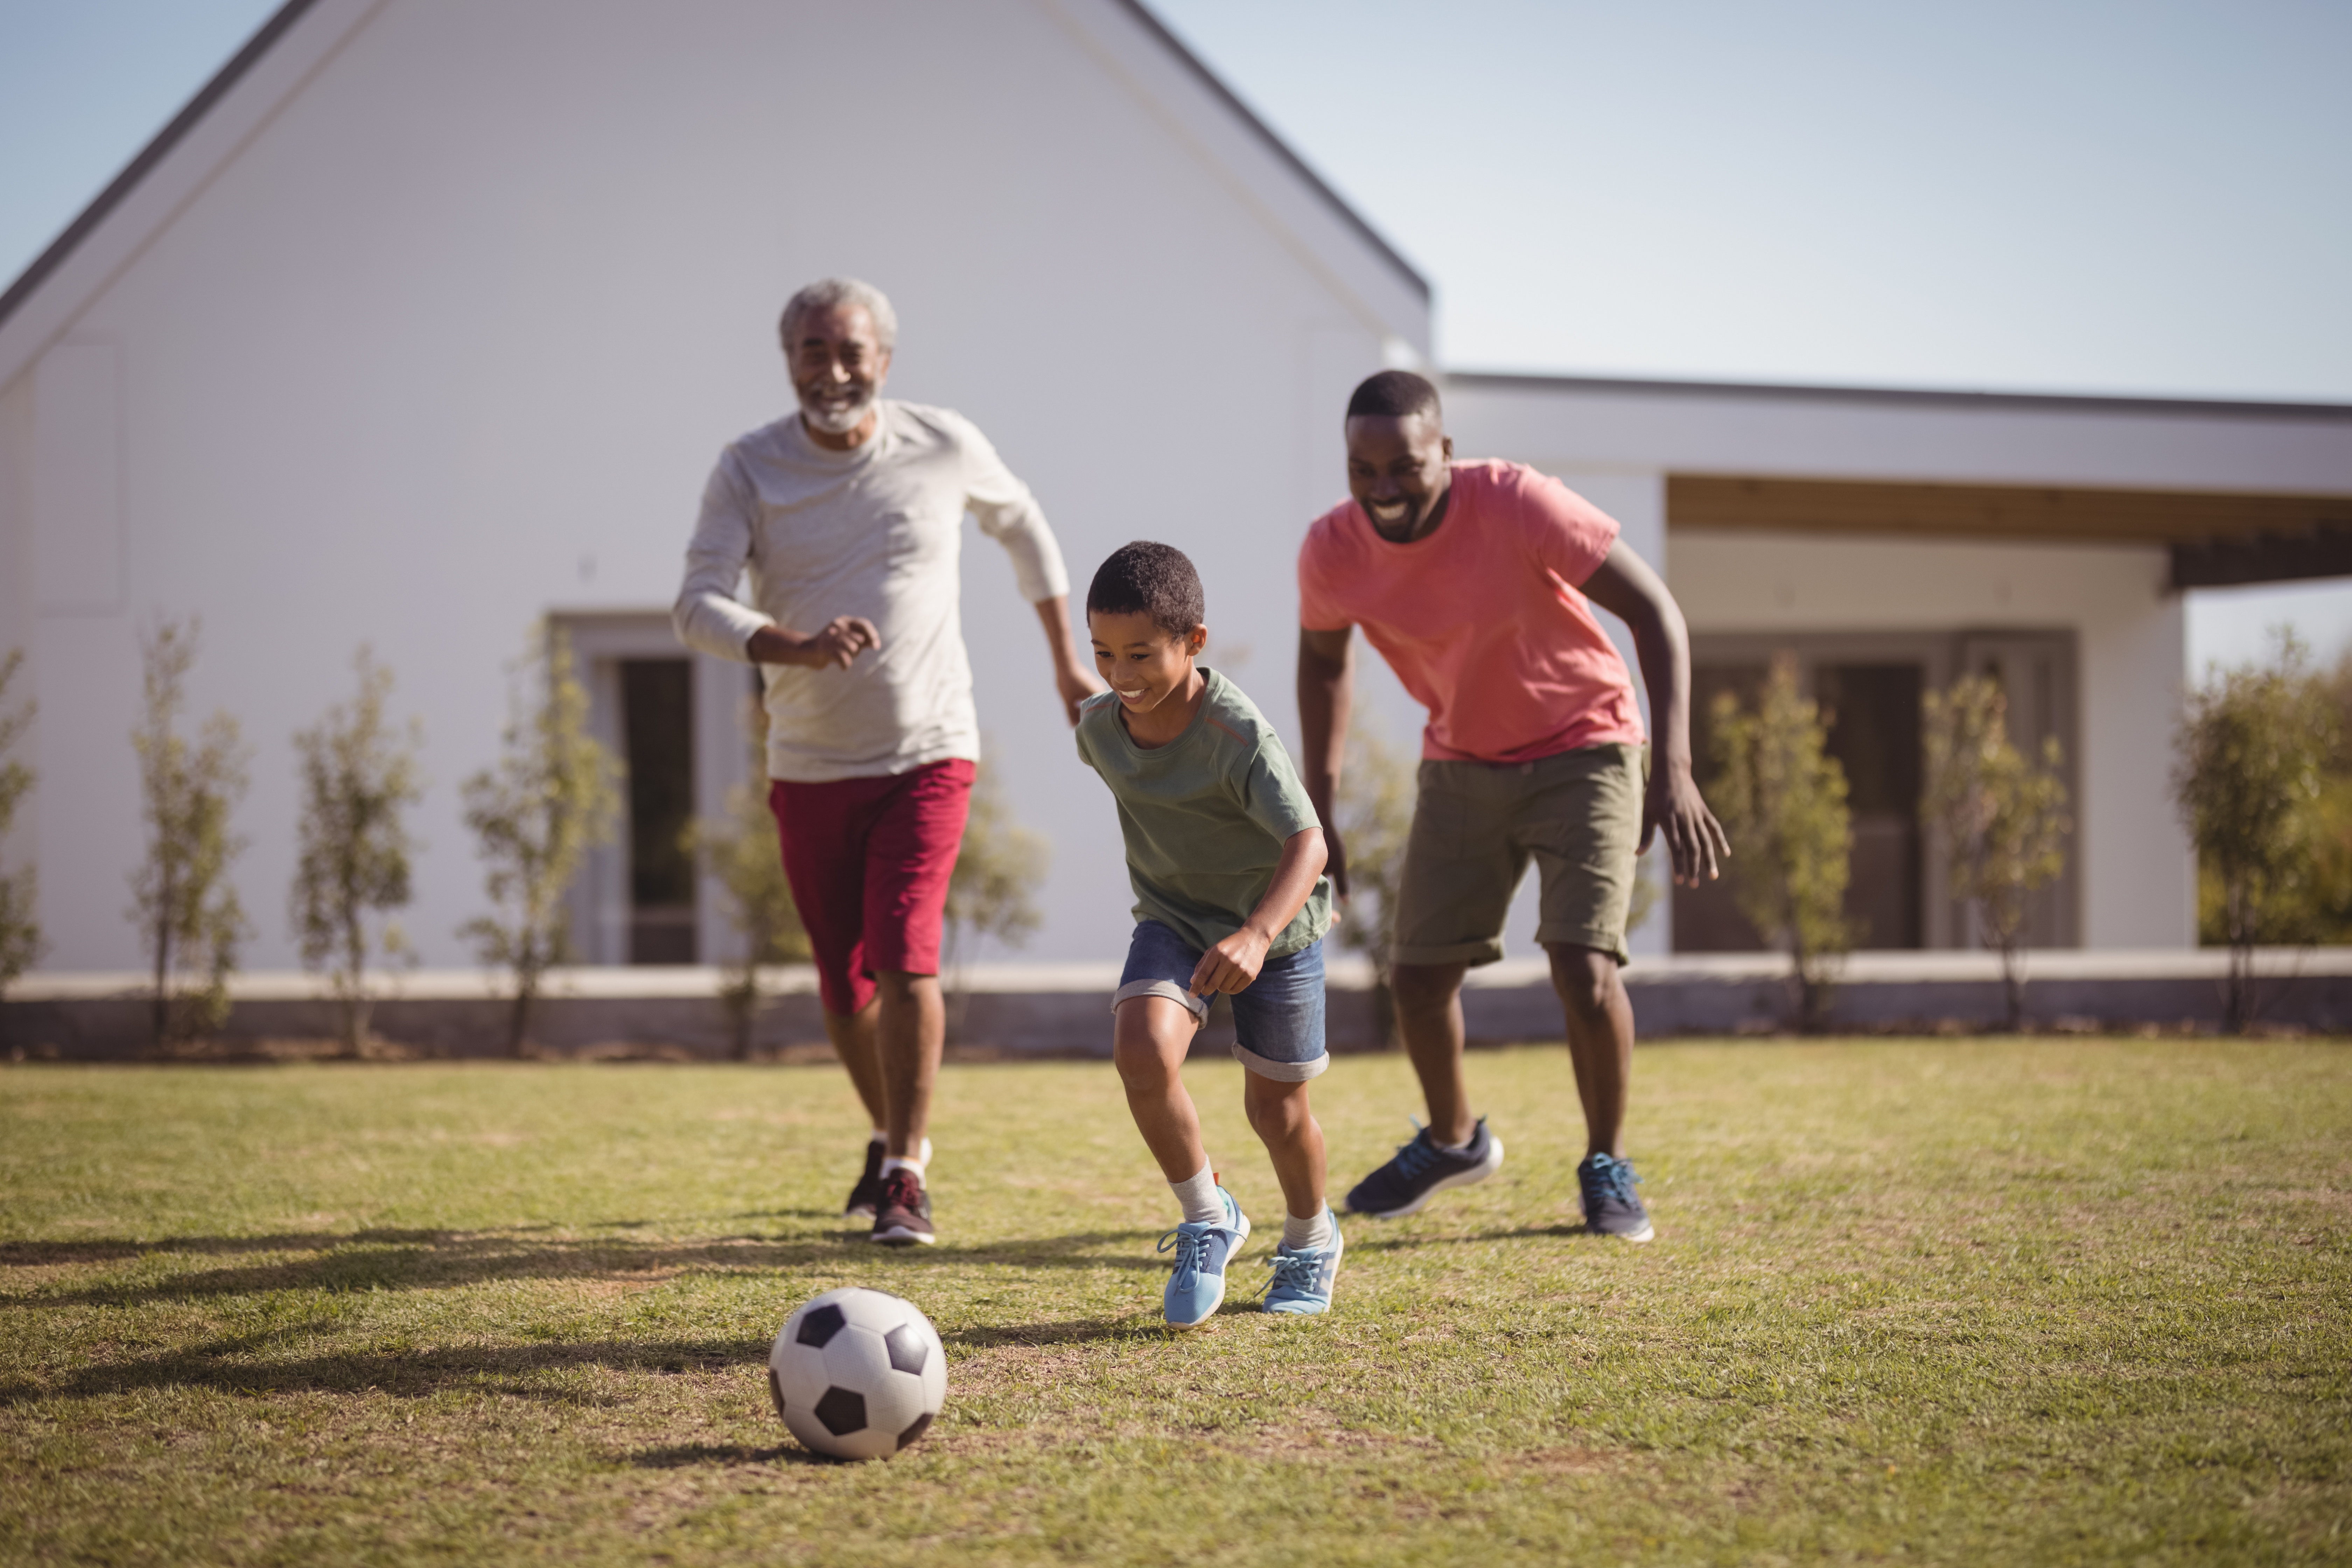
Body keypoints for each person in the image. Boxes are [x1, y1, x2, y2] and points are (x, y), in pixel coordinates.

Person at [674, 277, 1097, 1247]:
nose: (834, 370)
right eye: (813, 352)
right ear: (789, 363)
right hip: (811, 761)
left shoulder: (941, 442)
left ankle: (907, 1170)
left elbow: (1022, 526)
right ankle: (884, 1133)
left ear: (886, 360)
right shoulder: (748, 469)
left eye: (850, 351)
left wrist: (1067, 657)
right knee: (842, 982)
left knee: (908, 956)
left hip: (929, 752)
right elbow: (694, 605)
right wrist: (796, 644)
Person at [1295, 370, 1729, 1242]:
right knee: (1417, 978)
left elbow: (1656, 612)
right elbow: (1325, 664)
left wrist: (1672, 766)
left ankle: (1606, 1160)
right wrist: (1323, 808)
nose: (1382, 487)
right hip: (1462, 758)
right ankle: (1456, 1141)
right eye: (1362, 468)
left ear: (1444, 454)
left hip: (1589, 744)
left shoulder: (1519, 502)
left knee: (1583, 964)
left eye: (1404, 467)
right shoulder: (1333, 550)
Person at [1076, 542, 1343, 1326]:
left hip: (1278, 932)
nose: (1120, 672)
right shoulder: (1100, 730)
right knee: (1141, 1050)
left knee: (1278, 1113)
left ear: (1193, 641)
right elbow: (1104, 722)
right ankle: (1207, 1215)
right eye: (1102, 652)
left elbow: (1311, 843)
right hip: (1173, 920)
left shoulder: (1239, 738)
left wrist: (1259, 934)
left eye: (1140, 653)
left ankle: (1309, 1236)